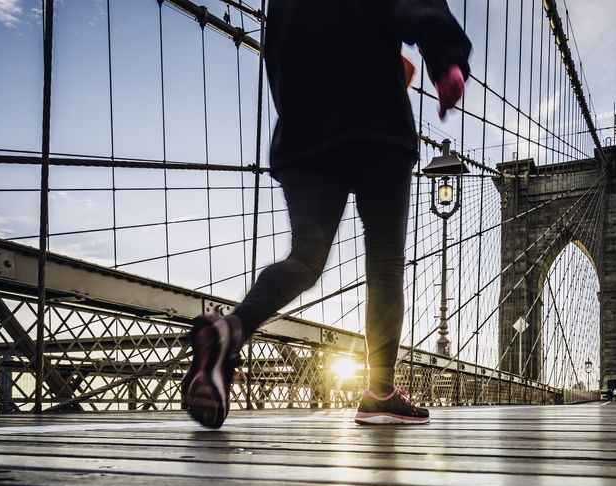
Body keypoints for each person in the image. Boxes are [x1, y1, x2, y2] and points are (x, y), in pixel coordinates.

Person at [184, 0, 471, 429]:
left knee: (306, 258)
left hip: (305, 136)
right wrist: (446, 62)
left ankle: (232, 328)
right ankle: (380, 393)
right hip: (377, 126)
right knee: (386, 263)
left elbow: (280, 50)